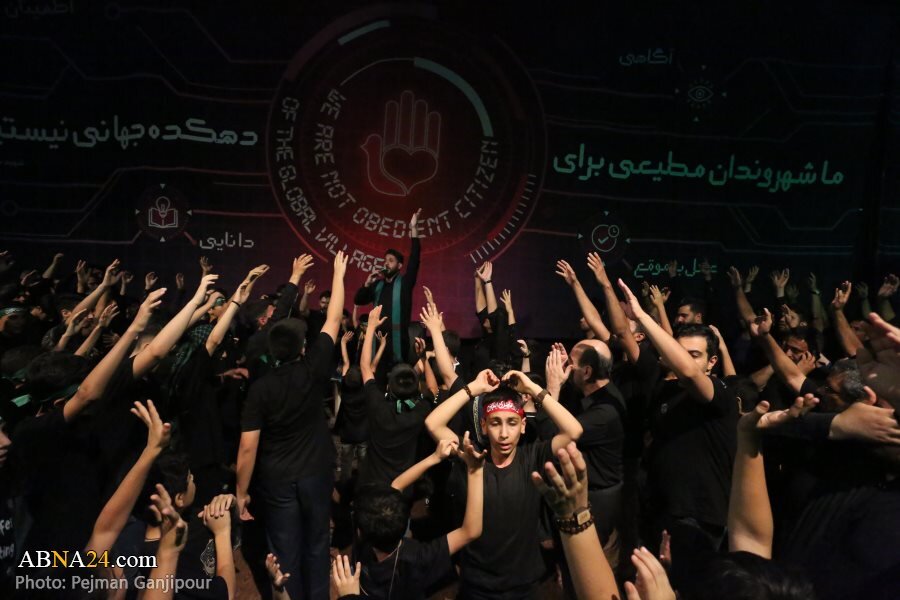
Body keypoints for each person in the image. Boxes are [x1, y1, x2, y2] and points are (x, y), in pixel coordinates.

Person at [236, 251, 347, 600]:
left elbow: (248, 446)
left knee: (284, 549)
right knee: (317, 543)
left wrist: (241, 492)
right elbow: (333, 320)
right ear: (302, 348)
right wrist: (339, 274)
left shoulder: (259, 389)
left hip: (277, 479)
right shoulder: (313, 370)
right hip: (316, 473)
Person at [425, 368, 583, 598]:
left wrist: (532, 388)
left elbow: (574, 430)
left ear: (523, 425)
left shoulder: (533, 457)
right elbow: (433, 423)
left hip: (523, 582)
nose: (504, 434)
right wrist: (473, 388)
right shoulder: (472, 456)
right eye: (495, 423)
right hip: (477, 581)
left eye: (512, 422)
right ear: (484, 425)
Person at [353, 209, 422, 366]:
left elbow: (415, 257)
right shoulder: (378, 285)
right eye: (385, 260)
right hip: (377, 343)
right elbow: (358, 300)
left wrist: (413, 228)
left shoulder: (405, 283)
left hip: (398, 345)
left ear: (399, 265)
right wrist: (367, 284)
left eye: (391, 261)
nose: (386, 263)